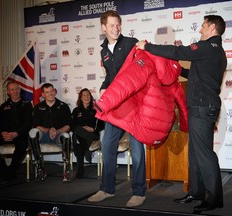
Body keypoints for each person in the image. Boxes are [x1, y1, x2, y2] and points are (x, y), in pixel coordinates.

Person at [136, 15, 227, 212]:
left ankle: (214, 198)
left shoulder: (207, 47)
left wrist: (148, 46)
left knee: (204, 154)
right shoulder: (214, 51)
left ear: (212, 27)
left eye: (203, 26)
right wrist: (175, 68)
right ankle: (196, 191)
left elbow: (178, 51)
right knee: (195, 154)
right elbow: (194, 74)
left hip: (202, 107)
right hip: (201, 106)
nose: (200, 29)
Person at [87, 10, 147, 207]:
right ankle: (106, 189)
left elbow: (141, 69)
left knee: (137, 150)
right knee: (108, 147)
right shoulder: (103, 51)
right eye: (112, 25)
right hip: (115, 107)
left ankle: (139, 192)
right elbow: (111, 75)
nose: (116, 28)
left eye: (118, 24)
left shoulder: (131, 43)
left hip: (134, 105)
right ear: (104, 27)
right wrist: (105, 85)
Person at [28, 83, 73, 182]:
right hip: (44, 135)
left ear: (55, 91)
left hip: (58, 135)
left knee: (66, 136)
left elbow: (68, 125)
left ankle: (67, 169)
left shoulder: (63, 106)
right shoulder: (38, 107)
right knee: (33, 132)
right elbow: (36, 125)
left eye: (52, 91)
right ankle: (40, 168)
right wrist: (48, 130)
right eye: (47, 92)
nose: (50, 94)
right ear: (43, 94)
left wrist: (57, 131)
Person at [0, 82, 32, 182]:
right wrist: (3, 132)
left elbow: (28, 123)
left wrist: (16, 133)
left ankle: (9, 172)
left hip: (20, 135)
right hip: (5, 135)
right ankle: (4, 170)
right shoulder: (3, 106)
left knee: (20, 148)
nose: (15, 92)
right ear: (8, 92)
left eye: (17, 89)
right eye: (12, 90)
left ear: (20, 90)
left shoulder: (27, 104)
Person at [71, 88, 104, 178]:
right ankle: (86, 151)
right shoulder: (76, 110)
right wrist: (81, 129)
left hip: (93, 134)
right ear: (80, 98)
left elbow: (102, 125)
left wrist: (92, 129)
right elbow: (72, 126)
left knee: (78, 137)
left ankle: (80, 169)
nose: (86, 97)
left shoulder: (96, 109)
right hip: (79, 134)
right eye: (84, 95)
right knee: (77, 132)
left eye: (88, 95)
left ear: (91, 97)